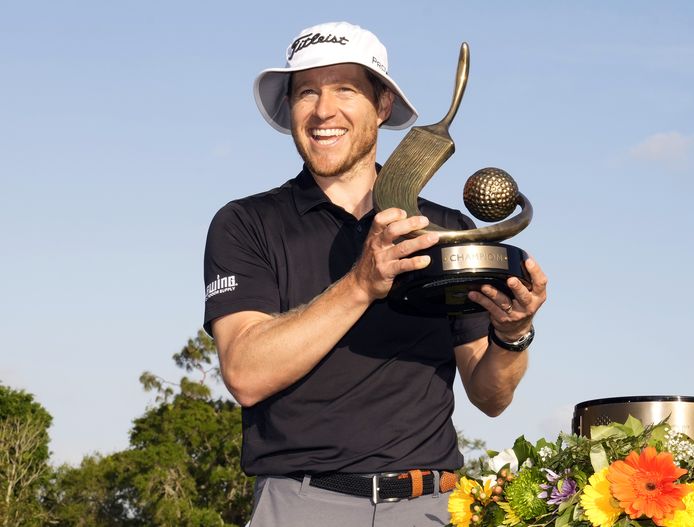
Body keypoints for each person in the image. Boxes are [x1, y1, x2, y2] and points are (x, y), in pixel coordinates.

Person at [203, 21, 548, 526]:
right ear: (291, 108)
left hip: (432, 507)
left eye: (345, 89)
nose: (324, 111)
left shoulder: (446, 230)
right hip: (302, 505)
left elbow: (490, 396)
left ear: (383, 105)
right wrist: (361, 283)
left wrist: (512, 335)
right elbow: (246, 374)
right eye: (307, 92)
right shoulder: (246, 223)